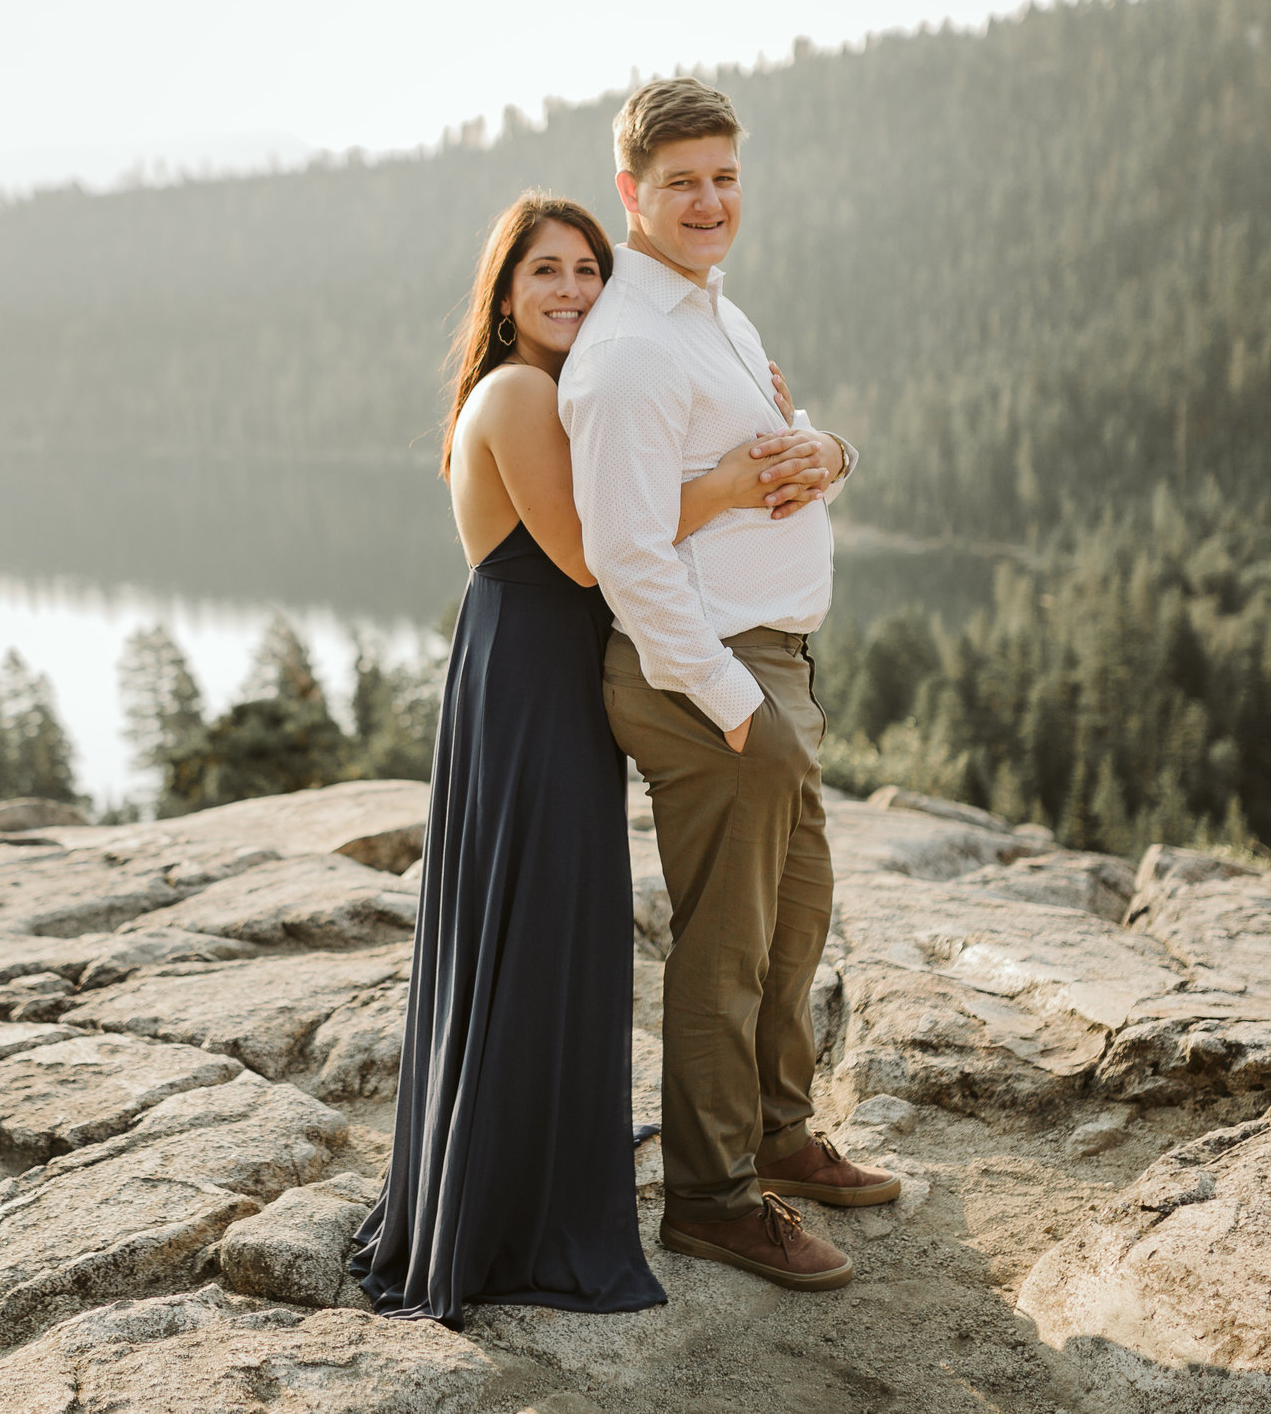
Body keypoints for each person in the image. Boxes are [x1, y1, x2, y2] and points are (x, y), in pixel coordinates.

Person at [349, 192, 837, 1326]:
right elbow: (581, 555)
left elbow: (626, 498)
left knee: (550, 929)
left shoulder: (567, 388)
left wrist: (774, 436)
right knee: (538, 924)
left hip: (550, 672)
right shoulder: (518, 393)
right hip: (528, 676)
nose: (570, 289)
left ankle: (531, 1160)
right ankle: (513, 1204)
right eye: (544, 273)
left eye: (586, 271)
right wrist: (731, 480)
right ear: (505, 297)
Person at [559, 78, 900, 1294]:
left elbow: (776, 446)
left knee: (793, 917)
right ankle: (708, 1196)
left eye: (724, 177)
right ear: (631, 195)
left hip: (767, 663)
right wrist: (729, 700)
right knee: (727, 948)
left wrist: (831, 450)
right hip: (705, 670)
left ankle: (776, 1129)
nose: (709, 201)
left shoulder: (714, 311)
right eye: (681, 183)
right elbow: (628, 555)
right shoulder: (629, 353)